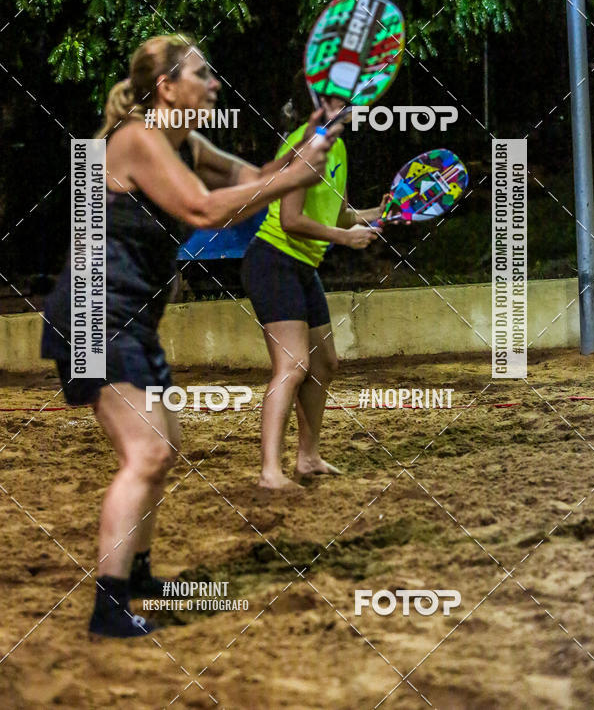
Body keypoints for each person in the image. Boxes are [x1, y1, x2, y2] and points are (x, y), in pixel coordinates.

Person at [41, 34, 339, 638]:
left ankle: (140, 572)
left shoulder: (185, 143)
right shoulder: (137, 139)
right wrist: (292, 179)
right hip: (96, 312)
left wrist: (309, 145)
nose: (215, 85)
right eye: (202, 74)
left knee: (163, 446)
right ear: (166, 88)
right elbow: (206, 211)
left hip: (130, 317)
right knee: (147, 452)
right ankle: (109, 606)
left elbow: (254, 178)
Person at [241, 96, 386, 490]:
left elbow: (338, 214)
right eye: (342, 97)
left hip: (302, 266)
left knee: (324, 363)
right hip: (273, 260)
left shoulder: (337, 147)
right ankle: (270, 472)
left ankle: (308, 458)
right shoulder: (302, 146)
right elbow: (290, 220)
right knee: (292, 367)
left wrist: (378, 213)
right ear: (319, 103)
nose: (354, 103)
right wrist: (343, 238)